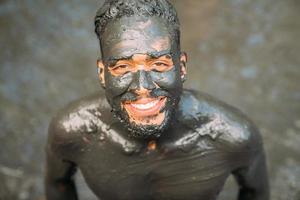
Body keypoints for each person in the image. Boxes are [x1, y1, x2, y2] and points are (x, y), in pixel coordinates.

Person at [45, 0, 269, 199]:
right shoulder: (73, 131)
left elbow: (255, 193)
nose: (143, 87)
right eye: (122, 68)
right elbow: (58, 186)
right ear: (103, 73)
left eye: (159, 65)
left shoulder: (233, 137)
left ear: (181, 67)